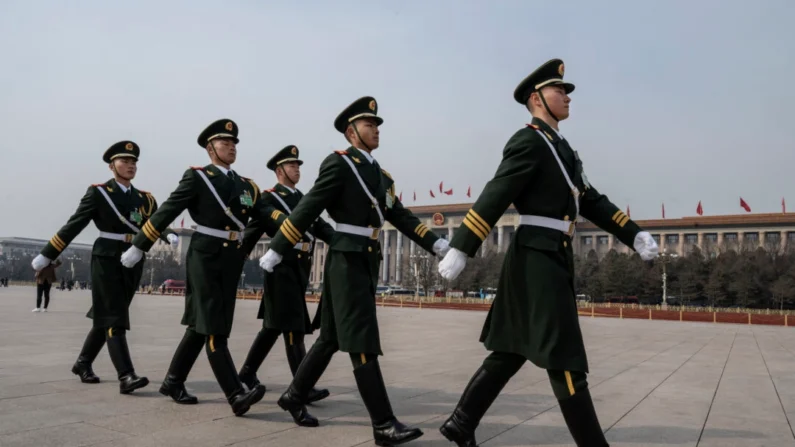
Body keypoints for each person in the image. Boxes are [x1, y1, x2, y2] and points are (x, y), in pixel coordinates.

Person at [436, 59, 660, 447]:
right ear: (537, 99)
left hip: (552, 255)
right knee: (565, 354)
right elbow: (497, 192)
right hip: (535, 257)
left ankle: (461, 422)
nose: (568, 96)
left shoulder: (564, 150)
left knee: (512, 348)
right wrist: (462, 247)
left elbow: (591, 200)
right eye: (560, 90)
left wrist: (633, 234)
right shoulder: (528, 141)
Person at [259, 96, 450, 445]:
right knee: (361, 337)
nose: (376, 129)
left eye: (377, 125)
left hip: (367, 258)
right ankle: (383, 423)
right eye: (368, 125)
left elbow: (399, 215)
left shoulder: (381, 175)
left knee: (331, 337)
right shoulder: (338, 164)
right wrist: (277, 247)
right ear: (351, 132)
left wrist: (436, 243)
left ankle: (293, 396)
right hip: (345, 259)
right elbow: (308, 207)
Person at [120, 118, 287, 417]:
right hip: (205, 255)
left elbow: (268, 214)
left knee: (203, 325)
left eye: (234, 143)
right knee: (213, 326)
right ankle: (235, 393)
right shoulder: (198, 177)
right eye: (225, 143)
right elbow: (169, 209)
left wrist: (296, 224)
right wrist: (139, 244)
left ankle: (173, 381)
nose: (231, 147)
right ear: (210, 148)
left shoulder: (247, 185)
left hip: (231, 258)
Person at [31, 141, 179, 393]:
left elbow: (153, 222)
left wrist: (168, 233)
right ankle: (126, 375)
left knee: (108, 315)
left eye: (134, 162)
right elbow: (74, 224)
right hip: (107, 257)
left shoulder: (145, 199)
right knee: (114, 316)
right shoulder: (99, 193)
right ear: (112, 166)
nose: (130, 165)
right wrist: (48, 253)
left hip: (134, 258)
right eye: (125, 161)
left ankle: (83, 362)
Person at [238, 145, 334, 404]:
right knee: (293, 327)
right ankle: (302, 386)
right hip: (281, 268)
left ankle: (246, 373)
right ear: (280, 170)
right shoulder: (269, 199)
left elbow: (321, 227)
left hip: (300, 268)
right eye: (292, 166)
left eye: (299, 166)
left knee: (272, 327)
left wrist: (343, 241)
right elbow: (253, 231)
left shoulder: (303, 199)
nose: (297, 170)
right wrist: (234, 260)